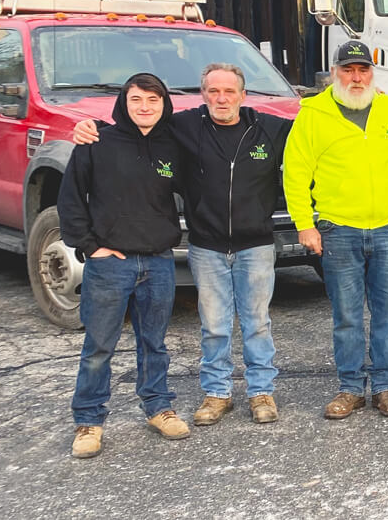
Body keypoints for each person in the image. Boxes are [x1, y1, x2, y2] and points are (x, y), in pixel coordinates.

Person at [75, 63, 292, 427]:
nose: (221, 98)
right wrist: (91, 126)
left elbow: (316, 127)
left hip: (255, 245)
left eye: (229, 91)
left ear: (242, 94)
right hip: (206, 246)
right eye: (213, 91)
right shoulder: (185, 126)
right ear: (203, 94)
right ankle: (217, 393)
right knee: (214, 325)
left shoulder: (267, 128)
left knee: (257, 323)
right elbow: (131, 127)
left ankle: (261, 392)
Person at [283, 40, 388, 420]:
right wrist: (304, 224)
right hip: (338, 229)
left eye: (363, 70)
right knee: (346, 314)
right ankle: (349, 388)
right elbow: (296, 173)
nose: (356, 77)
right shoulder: (312, 114)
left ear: (372, 73)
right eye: (349, 70)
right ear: (335, 73)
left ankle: (384, 386)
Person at [61, 72, 191, 458]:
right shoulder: (97, 140)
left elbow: (202, 188)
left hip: (159, 261)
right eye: (137, 100)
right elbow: (71, 197)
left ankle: (158, 407)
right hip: (110, 264)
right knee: (99, 345)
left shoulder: (174, 146)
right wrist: (89, 246)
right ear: (125, 102)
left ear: (164, 103)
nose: (145, 107)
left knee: (155, 343)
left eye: (153, 100)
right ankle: (89, 421)